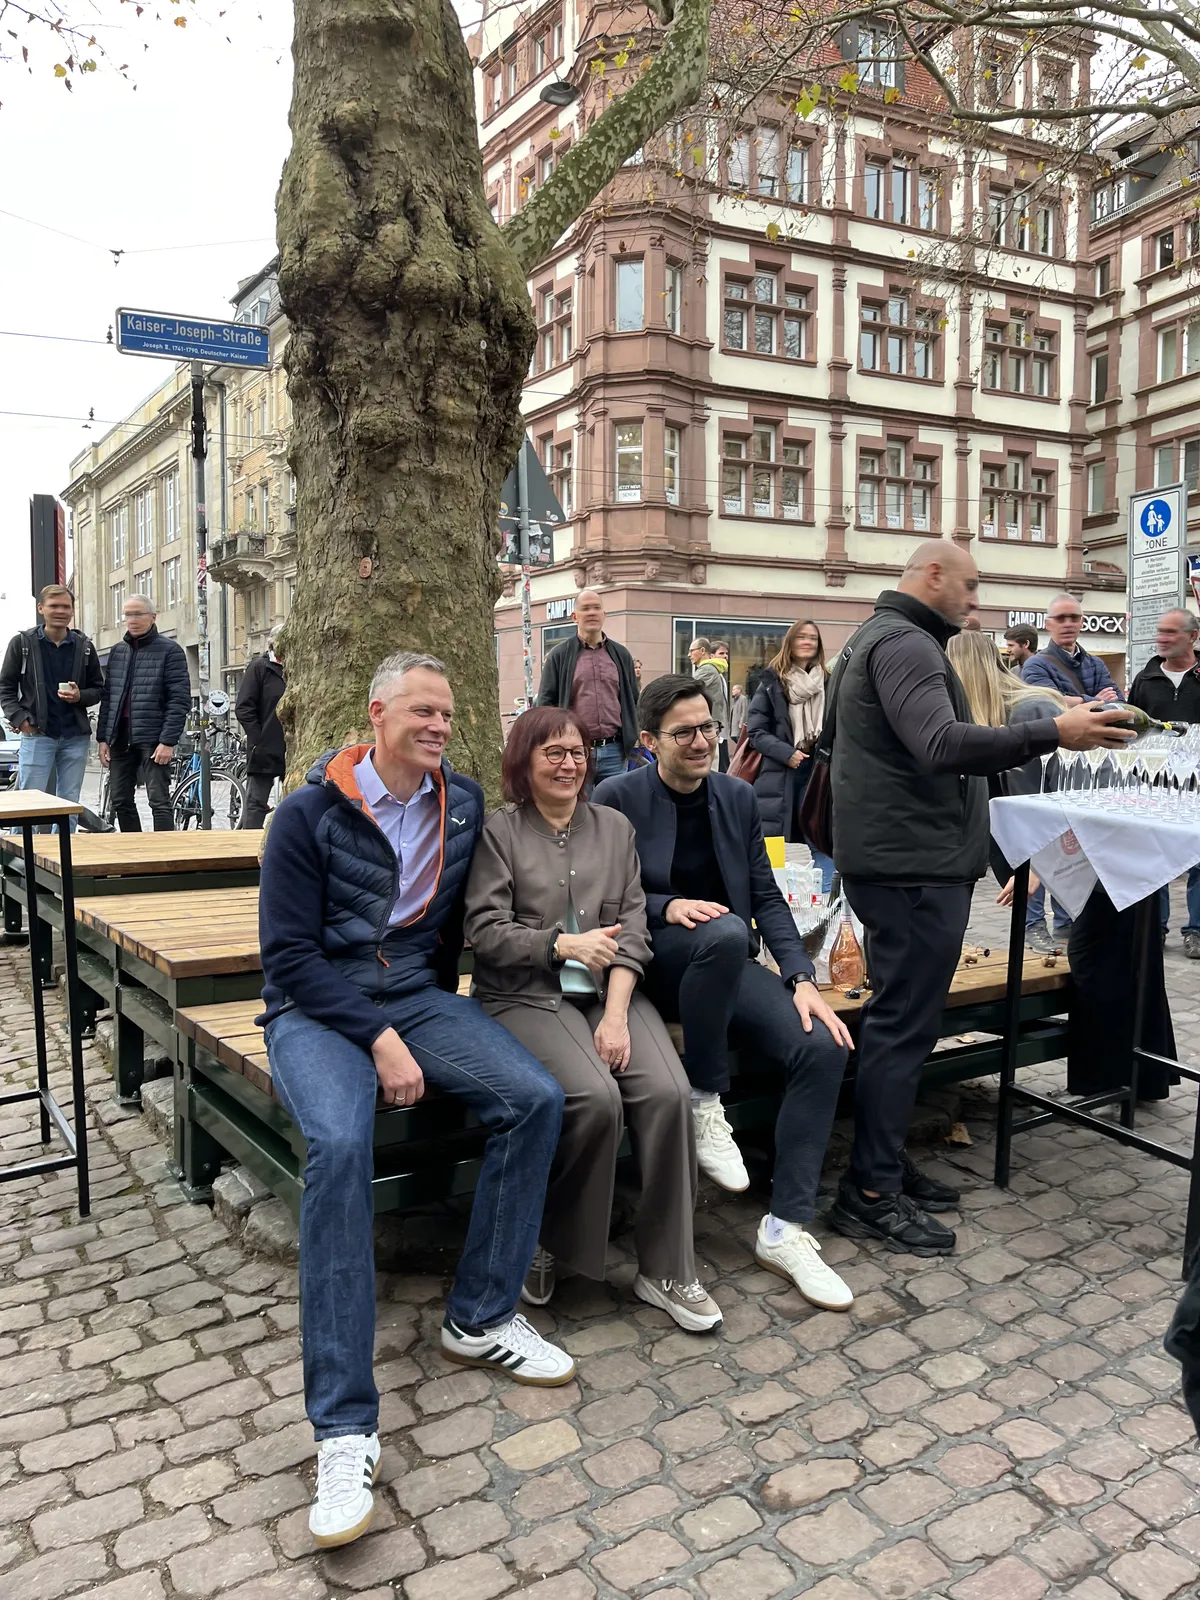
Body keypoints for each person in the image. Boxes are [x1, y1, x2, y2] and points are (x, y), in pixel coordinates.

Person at [258, 651, 573, 1550]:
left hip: (415, 999)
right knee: (341, 1149)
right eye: (421, 711)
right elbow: (289, 957)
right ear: (377, 713)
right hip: (317, 1008)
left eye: (446, 713)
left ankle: (480, 1315)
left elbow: (457, 924)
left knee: (534, 1098)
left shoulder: (460, 803)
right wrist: (379, 1037)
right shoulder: (308, 815)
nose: (438, 725)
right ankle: (344, 1429)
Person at [826, 541, 1134, 1256]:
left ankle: (881, 1161)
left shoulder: (880, 637)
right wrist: (1052, 732)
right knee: (904, 1024)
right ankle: (869, 1193)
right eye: (968, 586)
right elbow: (940, 744)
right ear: (931, 575)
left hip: (903, 860)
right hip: (911, 866)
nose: (975, 601)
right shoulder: (904, 643)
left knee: (901, 1020)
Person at [594, 674, 857, 1312]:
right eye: (683, 732)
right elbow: (599, 896)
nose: (701, 741)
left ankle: (785, 1229)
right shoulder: (617, 796)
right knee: (725, 933)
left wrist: (801, 979)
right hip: (647, 965)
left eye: (708, 727)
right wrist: (666, 904)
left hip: (725, 962)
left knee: (822, 1046)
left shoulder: (736, 796)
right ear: (650, 741)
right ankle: (705, 1100)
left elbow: (765, 893)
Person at [464, 706, 720, 1332]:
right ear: (524, 761)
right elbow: (485, 932)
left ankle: (668, 1268)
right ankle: (547, 1237)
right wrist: (559, 945)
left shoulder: (614, 829)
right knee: (595, 1098)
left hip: (610, 995)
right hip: (525, 995)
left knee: (669, 1093)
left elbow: (633, 929)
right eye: (552, 752)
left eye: (577, 752)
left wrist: (617, 1016)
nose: (569, 764)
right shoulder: (500, 832)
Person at [946, 629, 1069, 950]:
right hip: (1012, 836)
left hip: (1048, 830)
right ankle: (1035, 924)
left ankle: (1051, 926)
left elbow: (1065, 788)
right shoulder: (968, 716)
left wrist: (1040, 860)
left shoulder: (1032, 707)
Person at [0, 585, 104, 831]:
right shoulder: (22, 643)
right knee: (28, 800)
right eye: (54, 606)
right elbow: (5, 687)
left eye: (65, 607)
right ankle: (20, 852)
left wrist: (80, 696)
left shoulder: (84, 646)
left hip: (75, 736)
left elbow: (99, 689)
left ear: (72, 611)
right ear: (41, 609)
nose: (60, 611)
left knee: (69, 801)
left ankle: (63, 852)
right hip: (38, 734)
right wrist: (20, 719)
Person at [1128, 607, 1200, 957]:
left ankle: (1196, 930)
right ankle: (1154, 928)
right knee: (1154, 856)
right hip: (1153, 781)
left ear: (1193, 637)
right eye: (1160, 631)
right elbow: (1132, 730)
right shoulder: (1145, 679)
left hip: (1198, 783)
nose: (1162, 638)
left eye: (1171, 632)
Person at [746, 620, 836, 895]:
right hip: (779, 775)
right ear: (790, 642)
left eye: (813, 638)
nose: (808, 642)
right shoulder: (773, 681)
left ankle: (825, 907)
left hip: (819, 772)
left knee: (820, 840)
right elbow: (756, 731)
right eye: (802, 637)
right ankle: (769, 903)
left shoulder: (829, 681)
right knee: (771, 846)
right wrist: (788, 754)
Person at [96, 595, 191, 832]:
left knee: (158, 801)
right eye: (128, 614)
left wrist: (167, 741)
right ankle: (135, 848)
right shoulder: (118, 651)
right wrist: (103, 738)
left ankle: (163, 851)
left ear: (153, 617)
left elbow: (179, 700)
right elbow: (108, 698)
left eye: (138, 614)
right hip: (120, 738)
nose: (132, 620)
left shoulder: (170, 650)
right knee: (120, 800)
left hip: (154, 738)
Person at [536, 590, 639, 781]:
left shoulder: (621, 654)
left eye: (596, 608)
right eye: (585, 608)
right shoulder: (559, 655)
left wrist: (634, 735)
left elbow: (633, 699)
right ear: (574, 616)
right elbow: (545, 703)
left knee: (614, 801)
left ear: (604, 615)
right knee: (578, 801)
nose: (592, 613)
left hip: (615, 752)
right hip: (575, 752)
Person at [1020, 595, 1119, 703]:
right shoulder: (1035, 665)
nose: (1068, 624)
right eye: (1060, 618)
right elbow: (1049, 703)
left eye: (1074, 618)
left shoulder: (1096, 664)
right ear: (1048, 624)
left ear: (1082, 622)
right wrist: (1097, 701)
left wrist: (1074, 702)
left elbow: (1118, 702)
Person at [236, 625, 287, 828]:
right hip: (264, 746)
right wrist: (257, 737)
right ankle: (250, 841)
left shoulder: (300, 667)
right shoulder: (259, 667)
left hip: (294, 746)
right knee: (256, 801)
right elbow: (243, 707)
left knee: (296, 798)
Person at [688, 637, 730, 772]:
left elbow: (687, 690)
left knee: (708, 768)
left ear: (702, 651)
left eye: (691, 651)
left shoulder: (707, 669)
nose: (689, 655)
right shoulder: (714, 669)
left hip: (707, 726)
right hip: (712, 726)